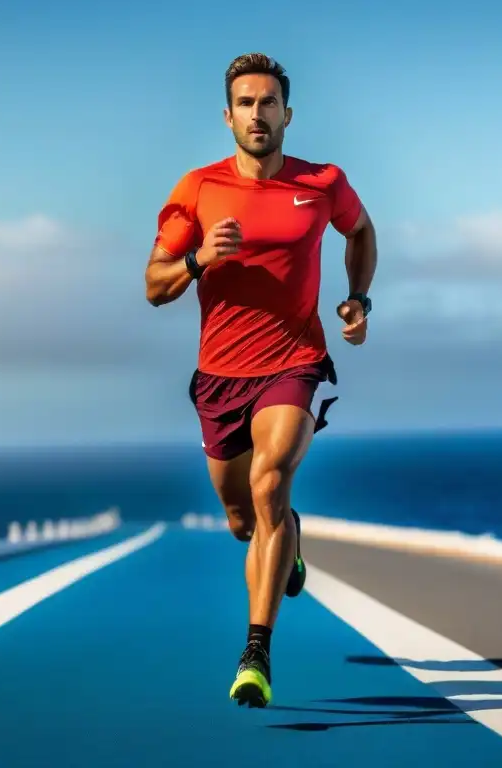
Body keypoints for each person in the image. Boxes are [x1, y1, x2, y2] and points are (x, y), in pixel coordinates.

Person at [143, 52, 377, 708]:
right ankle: (286, 537)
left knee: (269, 478)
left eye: (267, 102)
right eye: (245, 103)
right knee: (245, 518)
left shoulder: (323, 182)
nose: (257, 113)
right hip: (219, 376)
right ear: (227, 117)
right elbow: (152, 285)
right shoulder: (196, 190)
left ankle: (256, 653)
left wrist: (359, 298)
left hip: (294, 361)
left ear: (287, 114)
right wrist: (197, 259)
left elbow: (360, 232)